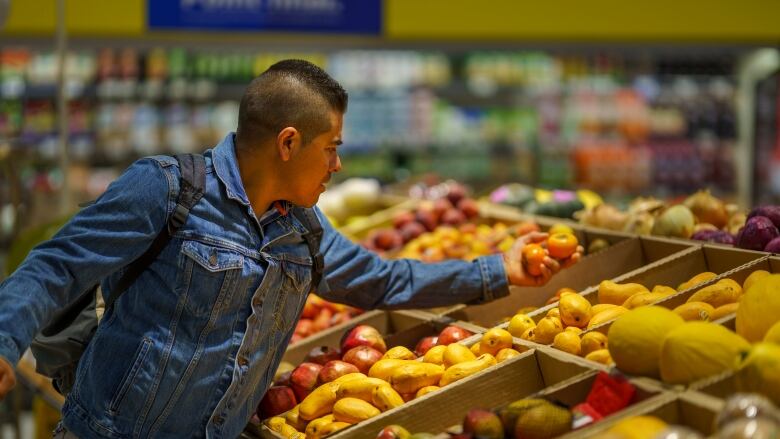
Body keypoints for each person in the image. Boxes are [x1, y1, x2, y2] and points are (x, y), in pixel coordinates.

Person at [0, 59, 580, 439]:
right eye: (331, 148)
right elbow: (57, 266)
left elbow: (385, 281)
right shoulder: (167, 189)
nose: (337, 165)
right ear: (288, 142)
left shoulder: (302, 231)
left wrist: (497, 268)